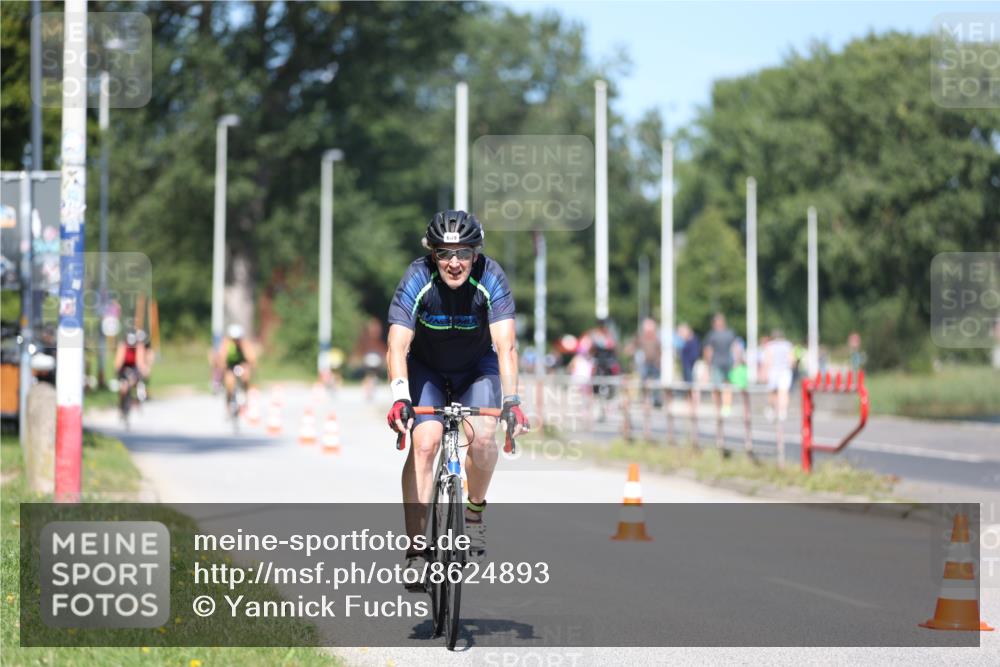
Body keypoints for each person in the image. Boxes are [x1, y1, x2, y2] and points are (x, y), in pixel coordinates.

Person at [385, 210, 528, 587]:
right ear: (432, 254)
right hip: (427, 369)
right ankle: (417, 550)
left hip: (476, 369)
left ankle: (475, 512)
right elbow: (397, 345)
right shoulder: (418, 277)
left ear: (476, 254)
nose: (454, 263)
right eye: (445, 253)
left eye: (463, 253)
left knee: (483, 438)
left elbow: (505, 346)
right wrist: (400, 397)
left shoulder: (490, 277)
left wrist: (511, 400)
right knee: (425, 443)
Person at [215, 324, 257, 410]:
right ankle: (228, 404)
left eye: (237, 339)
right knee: (229, 384)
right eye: (234, 339)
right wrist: (222, 366)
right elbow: (222, 356)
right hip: (230, 366)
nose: (236, 341)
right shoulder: (226, 344)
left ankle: (245, 396)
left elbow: (251, 357)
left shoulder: (244, 343)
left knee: (246, 377)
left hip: (240, 365)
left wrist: (250, 364)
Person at [703, 313, 736, 417]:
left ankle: (723, 407)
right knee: (721, 386)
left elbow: (708, 351)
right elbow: (735, 348)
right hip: (722, 363)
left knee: (722, 386)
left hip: (722, 363)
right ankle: (722, 407)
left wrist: (708, 365)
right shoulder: (725, 334)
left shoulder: (715, 335)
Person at [762, 329, 794, 422]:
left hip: (774, 371)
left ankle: (773, 409)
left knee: (773, 392)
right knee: (783, 392)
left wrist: (764, 372)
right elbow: (791, 359)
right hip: (784, 371)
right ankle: (782, 411)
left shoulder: (770, 346)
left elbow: (767, 360)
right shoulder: (787, 345)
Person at [114, 330, 149, 411]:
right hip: (124, 366)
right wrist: (117, 369)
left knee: (134, 381)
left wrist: (144, 370)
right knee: (123, 388)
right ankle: (121, 404)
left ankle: (136, 399)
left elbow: (140, 362)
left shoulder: (139, 346)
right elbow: (119, 361)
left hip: (134, 367)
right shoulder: (122, 346)